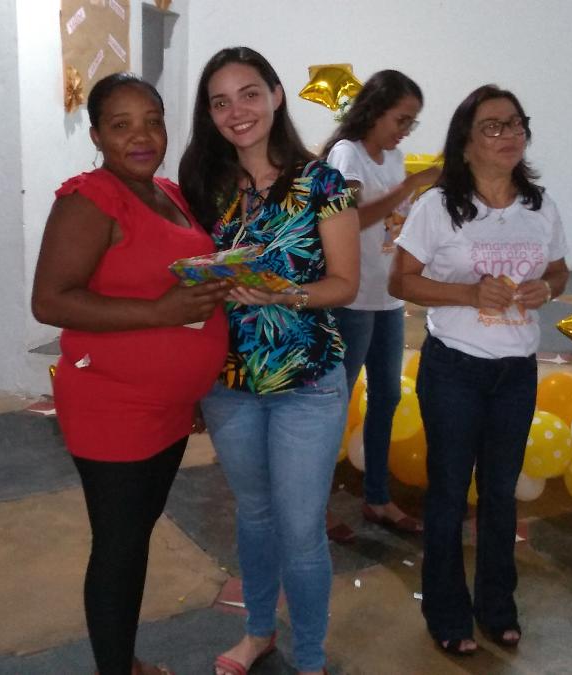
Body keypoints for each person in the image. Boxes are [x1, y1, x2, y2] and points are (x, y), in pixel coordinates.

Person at [30, 72, 231, 675]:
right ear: (96, 135)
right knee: (119, 549)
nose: (141, 137)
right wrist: (159, 313)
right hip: (113, 405)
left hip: (168, 408)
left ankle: (123, 662)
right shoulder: (89, 200)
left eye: (152, 121)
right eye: (121, 125)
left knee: (134, 537)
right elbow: (50, 301)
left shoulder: (168, 191)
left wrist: (191, 385)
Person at [178, 46, 360, 675]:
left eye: (250, 94)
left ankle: (309, 657)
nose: (237, 111)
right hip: (229, 383)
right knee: (254, 516)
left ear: (277, 96)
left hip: (307, 380)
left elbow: (346, 284)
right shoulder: (205, 187)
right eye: (220, 102)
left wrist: (289, 295)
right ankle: (259, 632)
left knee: (301, 529)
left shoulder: (322, 183)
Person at [390, 84, 569, 656]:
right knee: (448, 493)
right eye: (493, 126)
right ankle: (447, 611)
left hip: (515, 371)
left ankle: (497, 606)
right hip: (455, 369)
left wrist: (547, 289)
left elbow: (559, 270)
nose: (510, 135)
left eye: (516, 123)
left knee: (500, 493)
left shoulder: (539, 206)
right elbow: (401, 280)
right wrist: (468, 293)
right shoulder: (438, 206)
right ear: (465, 142)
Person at [320, 69, 440, 542]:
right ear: (374, 111)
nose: (406, 130)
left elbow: (395, 223)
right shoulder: (346, 154)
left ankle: (377, 497)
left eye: (412, 122)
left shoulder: (394, 158)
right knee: (334, 403)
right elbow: (346, 220)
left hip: (386, 296)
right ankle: (315, 503)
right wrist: (410, 186)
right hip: (351, 298)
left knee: (387, 396)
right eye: (401, 119)